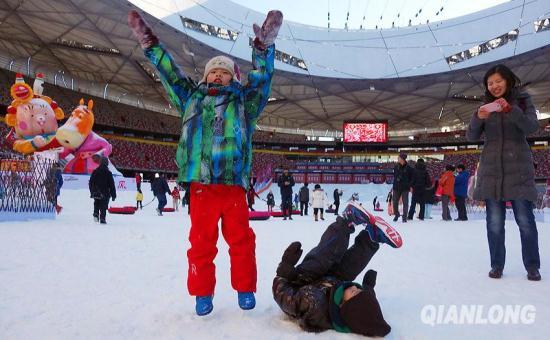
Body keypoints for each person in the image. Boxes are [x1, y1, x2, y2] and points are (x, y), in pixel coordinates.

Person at [128, 9, 283, 314]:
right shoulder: (190, 98)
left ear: (233, 77)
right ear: (205, 75)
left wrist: (262, 50)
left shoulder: (244, 103)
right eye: (213, 71)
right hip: (201, 186)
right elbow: (169, 73)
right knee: (201, 243)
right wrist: (150, 44)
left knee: (241, 242)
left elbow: (262, 81)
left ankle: (245, 289)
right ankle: (202, 294)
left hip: (232, 186)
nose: (217, 75)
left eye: (224, 72)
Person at [272, 201, 402, 337]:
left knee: (323, 259)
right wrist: (368, 287)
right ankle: (371, 238)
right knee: (349, 269)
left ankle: (346, 221)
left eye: (355, 293)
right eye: (359, 290)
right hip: (331, 283)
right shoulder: (351, 303)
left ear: (344, 307)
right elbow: (365, 303)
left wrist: (285, 268)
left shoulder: (312, 303)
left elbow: (282, 296)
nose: (355, 288)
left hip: (300, 281)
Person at [467, 64, 541, 281]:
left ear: (508, 80)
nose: (494, 86)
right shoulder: (485, 105)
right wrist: (477, 117)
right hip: (491, 170)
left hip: (518, 169)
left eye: (498, 81)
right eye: (490, 83)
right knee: (495, 223)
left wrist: (511, 109)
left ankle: (532, 266)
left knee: (525, 221)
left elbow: (531, 127)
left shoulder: (522, 100)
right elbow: (471, 137)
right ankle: (497, 265)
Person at [89, 156, 116, 224]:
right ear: (106, 163)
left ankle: (96, 213)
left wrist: (92, 191)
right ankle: (102, 218)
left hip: (96, 191)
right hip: (105, 192)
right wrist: (113, 195)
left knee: (96, 202)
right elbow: (111, 184)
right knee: (103, 205)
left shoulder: (95, 171)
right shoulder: (108, 173)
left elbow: (91, 182)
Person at [392, 153, 414, 222]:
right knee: (395, 202)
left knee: (405, 203)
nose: (398, 159)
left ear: (403, 159)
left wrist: (410, 185)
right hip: (396, 187)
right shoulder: (396, 167)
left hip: (405, 187)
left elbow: (412, 178)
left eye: (399, 158)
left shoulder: (409, 169)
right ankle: (396, 214)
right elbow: (395, 177)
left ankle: (404, 217)